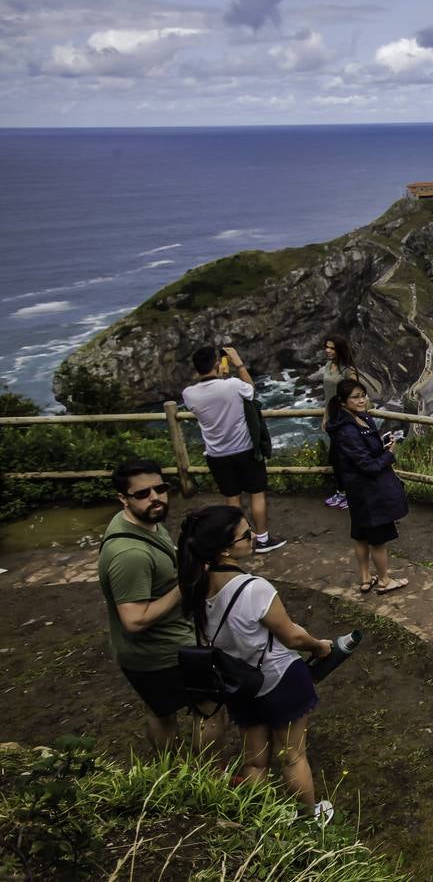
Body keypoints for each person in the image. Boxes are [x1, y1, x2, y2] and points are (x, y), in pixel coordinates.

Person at [177, 505, 334, 824]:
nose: (252, 538)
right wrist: (320, 647)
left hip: (240, 683)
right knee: (293, 756)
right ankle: (308, 818)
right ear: (224, 547)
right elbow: (291, 636)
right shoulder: (253, 589)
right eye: (246, 534)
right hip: (279, 679)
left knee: (255, 762)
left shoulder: (197, 585)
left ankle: (258, 815)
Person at [98, 459, 224, 752]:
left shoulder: (144, 522)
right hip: (163, 652)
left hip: (144, 654)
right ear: (123, 499)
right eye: (142, 493)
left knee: (160, 710)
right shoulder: (130, 554)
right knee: (211, 708)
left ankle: (172, 774)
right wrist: (185, 585)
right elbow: (134, 619)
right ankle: (206, 778)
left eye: (160, 488)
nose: (155, 497)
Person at [181, 345, 286, 553]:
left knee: (232, 498)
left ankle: (239, 540)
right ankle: (263, 540)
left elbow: (211, 397)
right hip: (244, 450)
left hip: (216, 454)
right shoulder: (233, 385)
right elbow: (251, 391)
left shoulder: (188, 394)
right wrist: (238, 362)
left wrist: (221, 376)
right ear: (217, 364)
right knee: (257, 494)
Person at [326, 378, 411, 594]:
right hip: (368, 491)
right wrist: (389, 455)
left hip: (359, 489)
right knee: (378, 539)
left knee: (361, 535)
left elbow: (364, 454)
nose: (362, 400)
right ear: (343, 401)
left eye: (363, 395)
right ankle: (384, 580)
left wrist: (381, 447)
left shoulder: (356, 418)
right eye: (355, 396)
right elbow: (367, 465)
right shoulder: (347, 428)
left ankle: (365, 578)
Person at [316, 335, 358, 509]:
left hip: (345, 418)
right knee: (335, 458)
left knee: (345, 458)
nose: (328, 350)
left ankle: (351, 494)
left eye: (332, 348)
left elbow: (355, 395)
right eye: (327, 347)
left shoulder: (348, 370)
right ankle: (341, 492)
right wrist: (325, 417)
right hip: (332, 416)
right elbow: (328, 396)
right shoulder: (328, 366)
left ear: (340, 349)